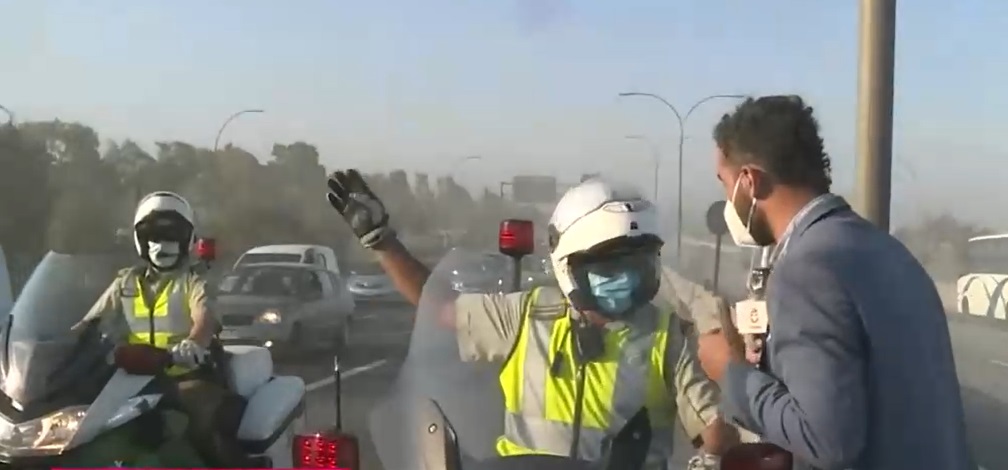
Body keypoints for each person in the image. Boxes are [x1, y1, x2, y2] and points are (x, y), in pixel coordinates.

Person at [326, 170, 738, 469]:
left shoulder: (664, 335)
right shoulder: (526, 315)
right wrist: (382, 240)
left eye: (637, 266)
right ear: (568, 266)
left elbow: (714, 423)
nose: (625, 281)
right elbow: (438, 306)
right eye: (609, 268)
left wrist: (711, 457)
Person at [696, 95, 972, 469]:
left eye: (725, 185)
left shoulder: (807, 269)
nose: (727, 201)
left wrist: (732, 375)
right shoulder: (887, 251)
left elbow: (828, 441)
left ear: (750, 182)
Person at [74, 191, 255, 468]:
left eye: (172, 237)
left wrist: (194, 344)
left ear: (187, 241)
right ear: (141, 241)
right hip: (128, 381)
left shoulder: (193, 281)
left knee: (205, 430)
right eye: (154, 237)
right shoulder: (125, 282)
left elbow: (204, 317)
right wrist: (50, 346)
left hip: (187, 378)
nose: (163, 245)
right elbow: (88, 323)